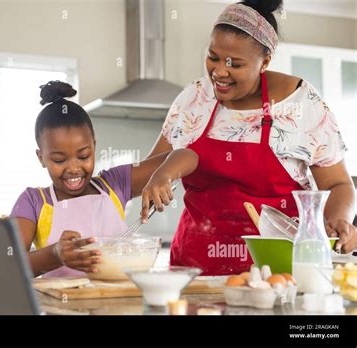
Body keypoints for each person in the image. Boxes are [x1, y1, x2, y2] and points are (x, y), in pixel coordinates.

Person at [142, 0, 356, 275]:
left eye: (235, 64)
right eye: (213, 57)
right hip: (194, 273)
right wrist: (89, 186)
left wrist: (338, 220)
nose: (219, 71)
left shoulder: (302, 104)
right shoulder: (194, 98)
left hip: (279, 273)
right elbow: (151, 171)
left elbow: (339, 184)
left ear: (265, 61)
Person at [9, 81, 190, 278]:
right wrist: (55, 254)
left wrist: (163, 175)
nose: (74, 168)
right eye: (59, 160)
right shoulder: (33, 201)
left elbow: (188, 155)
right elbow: (8, 264)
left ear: (94, 146)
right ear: (41, 157)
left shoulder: (115, 183)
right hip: (62, 307)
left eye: (84, 156)